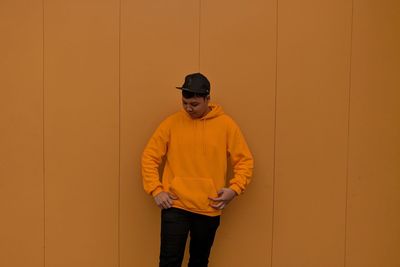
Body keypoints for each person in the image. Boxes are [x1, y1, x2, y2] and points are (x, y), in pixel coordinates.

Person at [141, 73, 254, 267]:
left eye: (194, 104)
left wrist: (234, 189)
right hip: (175, 205)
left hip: (209, 206)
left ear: (207, 99)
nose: (188, 108)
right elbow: (149, 157)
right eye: (185, 103)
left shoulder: (226, 125)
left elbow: (245, 160)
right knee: (168, 262)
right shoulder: (171, 123)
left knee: (199, 262)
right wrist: (156, 190)